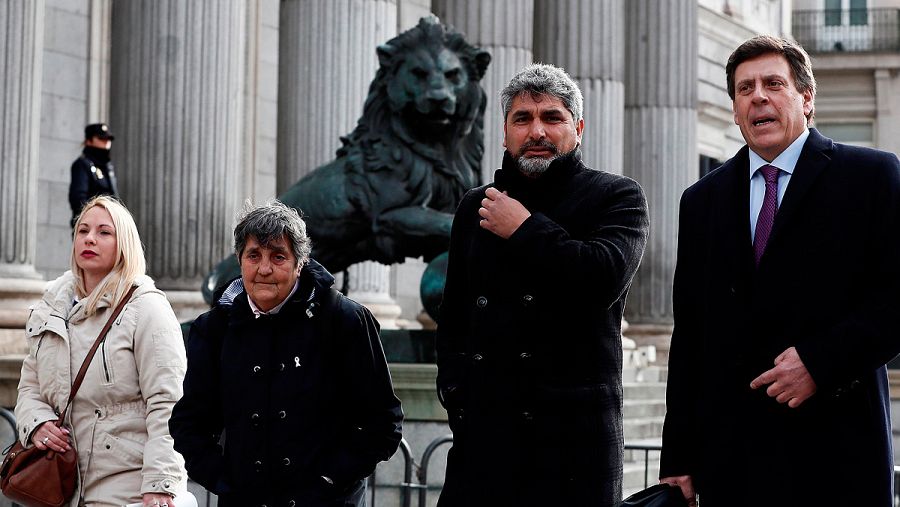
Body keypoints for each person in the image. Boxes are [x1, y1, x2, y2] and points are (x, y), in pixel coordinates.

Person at [660, 35, 900, 506]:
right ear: (733, 109)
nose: (758, 97)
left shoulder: (872, 176)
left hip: (837, 453)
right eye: (745, 89)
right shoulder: (701, 200)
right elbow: (689, 336)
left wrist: (820, 362)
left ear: (806, 98)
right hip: (733, 464)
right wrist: (678, 458)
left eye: (773, 83)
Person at [435, 63, 650, 507]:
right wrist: (460, 400)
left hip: (573, 448)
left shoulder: (617, 196)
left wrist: (523, 227)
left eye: (552, 118)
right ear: (504, 134)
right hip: (486, 443)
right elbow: (453, 316)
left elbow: (602, 276)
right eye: (522, 119)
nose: (537, 131)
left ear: (579, 128)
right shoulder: (475, 206)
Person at [169, 200, 403, 507]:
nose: (264, 269)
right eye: (254, 255)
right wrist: (224, 480)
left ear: (299, 263)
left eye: (278, 256)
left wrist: (329, 481)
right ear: (240, 260)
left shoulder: (345, 320)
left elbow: (383, 424)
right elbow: (189, 423)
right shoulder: (213, 329)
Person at [15, 195, 188, 507]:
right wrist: (37, 423)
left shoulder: (147, 308)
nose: (90, 239)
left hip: (127, 484)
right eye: (83, 231)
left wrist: (160, 483)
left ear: (124, 243)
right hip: (59, 483)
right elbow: (30, 386)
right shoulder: (50, 307)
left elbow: (168, 404)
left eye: (104, 232)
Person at [69, 123, 120, 228]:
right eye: (101, 138)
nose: (106, 142)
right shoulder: (82, 164)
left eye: (109, 139)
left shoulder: (108, 166)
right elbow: (78, 200)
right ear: (89, 141)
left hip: (109, 225)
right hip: (91, 226)